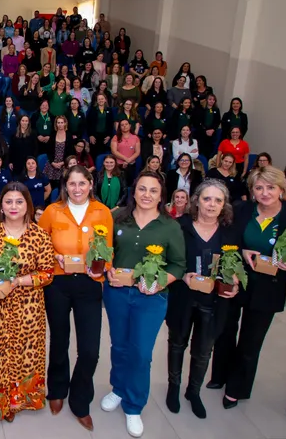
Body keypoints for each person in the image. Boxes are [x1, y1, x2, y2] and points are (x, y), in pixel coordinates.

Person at [208, 166, 286, 408]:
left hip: (268, 287)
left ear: (281, 189)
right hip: (235, 279)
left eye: (271, 187)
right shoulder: (241, 210)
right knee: (224, 331)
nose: (265, 193)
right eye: (259, 187)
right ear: (252, 191)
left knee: (251, 341)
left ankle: (237, 388)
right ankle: (219, 375)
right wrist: (241, 251)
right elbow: (226, 240)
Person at [100, 170, 185, 437]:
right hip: (117, 294)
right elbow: (104, 251)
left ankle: (134, 404)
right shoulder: (117, 218)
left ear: (161, 196)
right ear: (133, 191)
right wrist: (108, 269)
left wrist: (161, 282)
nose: (147, 195)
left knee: (141, 351)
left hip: (151, 298)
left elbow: (178, 265)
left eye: (153, 191)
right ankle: (118, 387)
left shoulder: (169, 226)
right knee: (120, 345)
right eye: (142, 189)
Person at [0, 181, 54, 423]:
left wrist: (19, 281)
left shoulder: (39, 235)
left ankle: (13, 402)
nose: (14, 206)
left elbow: (47, 273)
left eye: (19, 201)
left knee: (19, 354)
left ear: (27, 205)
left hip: (26, 308)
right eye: (9, 201)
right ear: (1, 205)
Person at [37, 166, 112, 431]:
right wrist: (52, 256)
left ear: (91, 184)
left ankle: (80, 400)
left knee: (89, 349)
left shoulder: (102, 212)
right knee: (59, 340)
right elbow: (40, 244)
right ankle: (57, 389)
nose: (77, 189)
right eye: (72, 184)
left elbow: (109, 248)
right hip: (58, 282)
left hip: (90, 283)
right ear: (65, 186)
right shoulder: (52, 211)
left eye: (82, 183)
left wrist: (101, 264)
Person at [166, 179, 241, 419]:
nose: (212, 204)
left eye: (218, 200)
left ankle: (193, 391)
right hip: (183, 296)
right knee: (177, 344)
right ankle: (174, 387)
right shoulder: (180, 226)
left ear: (224, 205)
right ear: (196, 201)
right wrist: (182, 275)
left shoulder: (231, 232)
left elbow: (236, 266)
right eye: (207, 199)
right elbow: (168, 260)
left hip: (214, 301)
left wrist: (236, 282)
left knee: (203, 351)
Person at [112, 119, 141, 186]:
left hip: (131, 165)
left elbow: (137, 152)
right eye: (122, 125)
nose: (124, 126)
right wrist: (126, 159)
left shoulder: (135, 137)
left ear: (130, 126)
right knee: (118, 185)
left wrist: (128, 161)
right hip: (119, 165)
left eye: (126, 124)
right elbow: (114, 151)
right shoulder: (116, 137)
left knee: (129, 185)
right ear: (120, 127)